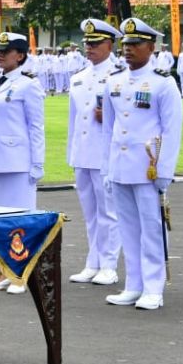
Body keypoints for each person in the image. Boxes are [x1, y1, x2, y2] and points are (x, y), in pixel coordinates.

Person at [100, 17, 182, 311]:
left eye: (136, 44)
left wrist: (164, 171)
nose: (128, 49)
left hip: (148, 168)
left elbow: (172, 131)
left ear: (151, 47)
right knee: (128, 229)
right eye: (125, 44)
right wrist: (107, 169)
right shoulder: (114, 81)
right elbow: (108, 129)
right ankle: (133, 284)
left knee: (151, 228)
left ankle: (153, 287)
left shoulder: (163, 83)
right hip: (121, 166)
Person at [0, 31, 45, 294]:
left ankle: (22, 273)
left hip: (17, 161)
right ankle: (3, 270)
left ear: (21, 55)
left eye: (6, 50)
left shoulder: (28, 85)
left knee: (21, 221)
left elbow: (36, 127)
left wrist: (37, 163)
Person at [66, 19, 122, 286]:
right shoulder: (78, 78)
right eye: (87, 43)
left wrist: (110, 116)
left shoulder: (119, 76)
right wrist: (71, 154)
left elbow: (129, 118)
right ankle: (94, 261)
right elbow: (73, 121)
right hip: (83, 153)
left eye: (95, 43)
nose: (89, 47)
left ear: (109, 44)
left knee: (108, 211)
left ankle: (109, 264)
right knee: (90, 213)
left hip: (105, 153)